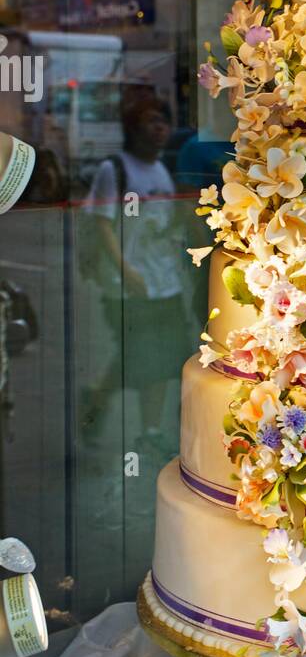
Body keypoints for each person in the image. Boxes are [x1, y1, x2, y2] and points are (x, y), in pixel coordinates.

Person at [83, 96, 189, 451]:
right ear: (133, 128)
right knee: (143, 359)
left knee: (155, 360)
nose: (160, 128)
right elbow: (103, 226)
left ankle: (147, 430)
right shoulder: (114, 169)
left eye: (164, 121)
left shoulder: (161, 171)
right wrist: (126, 272)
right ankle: (104, 405)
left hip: (164, 283)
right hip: (127, 287)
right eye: (151, 121)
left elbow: (160, 223)